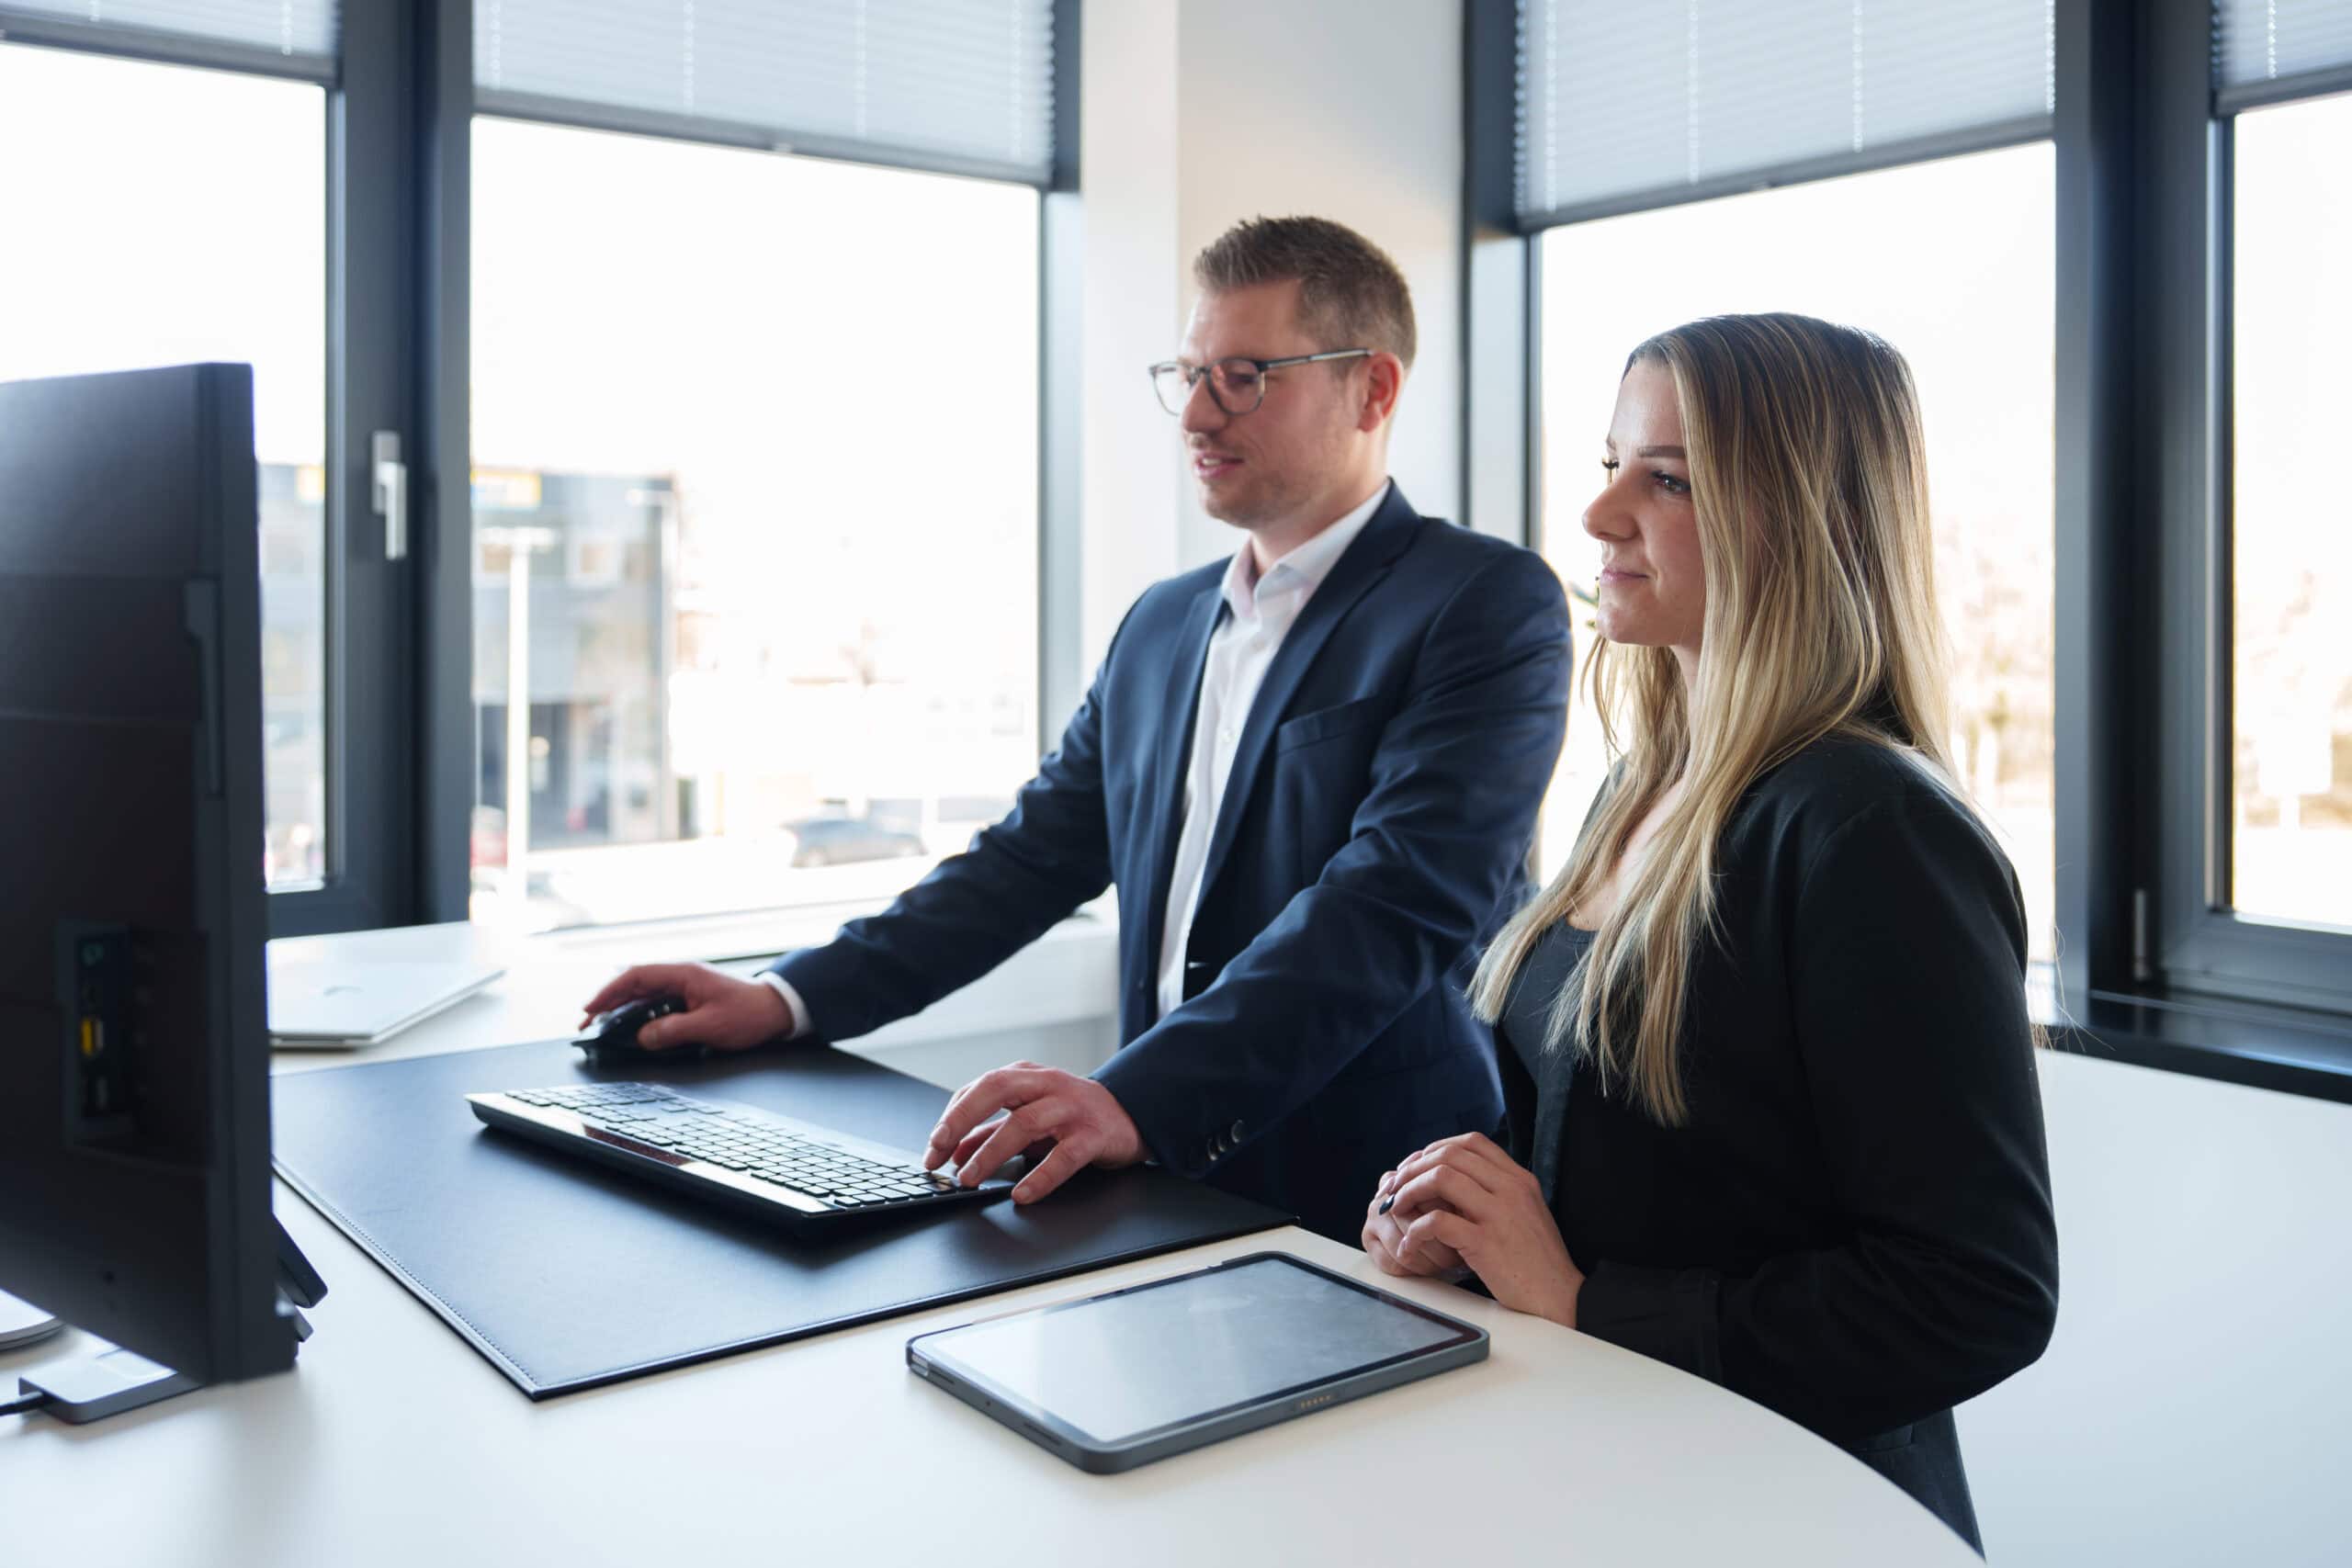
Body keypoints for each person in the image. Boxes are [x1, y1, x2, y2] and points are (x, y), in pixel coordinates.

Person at [582, 216, 1571, 1245]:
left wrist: (1137, 1097)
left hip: (1375, 1189)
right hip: (1155, 1176)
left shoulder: (1483, 603)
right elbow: (1026, 861)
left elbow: (1392, 904)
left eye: (1242, 376)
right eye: (1186, 373)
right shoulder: (1161, 622)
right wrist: (783, 996)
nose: (1195, 411)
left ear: (1373, 389)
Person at [1363, 313, 2057, 1551]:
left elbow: (1976, 1295)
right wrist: (1466, 1228)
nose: (1599, 515)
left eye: (1669, 477)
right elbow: (1639, 1164)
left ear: (1792, 516)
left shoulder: (1871, 830)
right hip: (1604, 1470)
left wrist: (1582, 1300)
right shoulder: (1642, 786)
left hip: (1784, 1512)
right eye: (1613, 462)